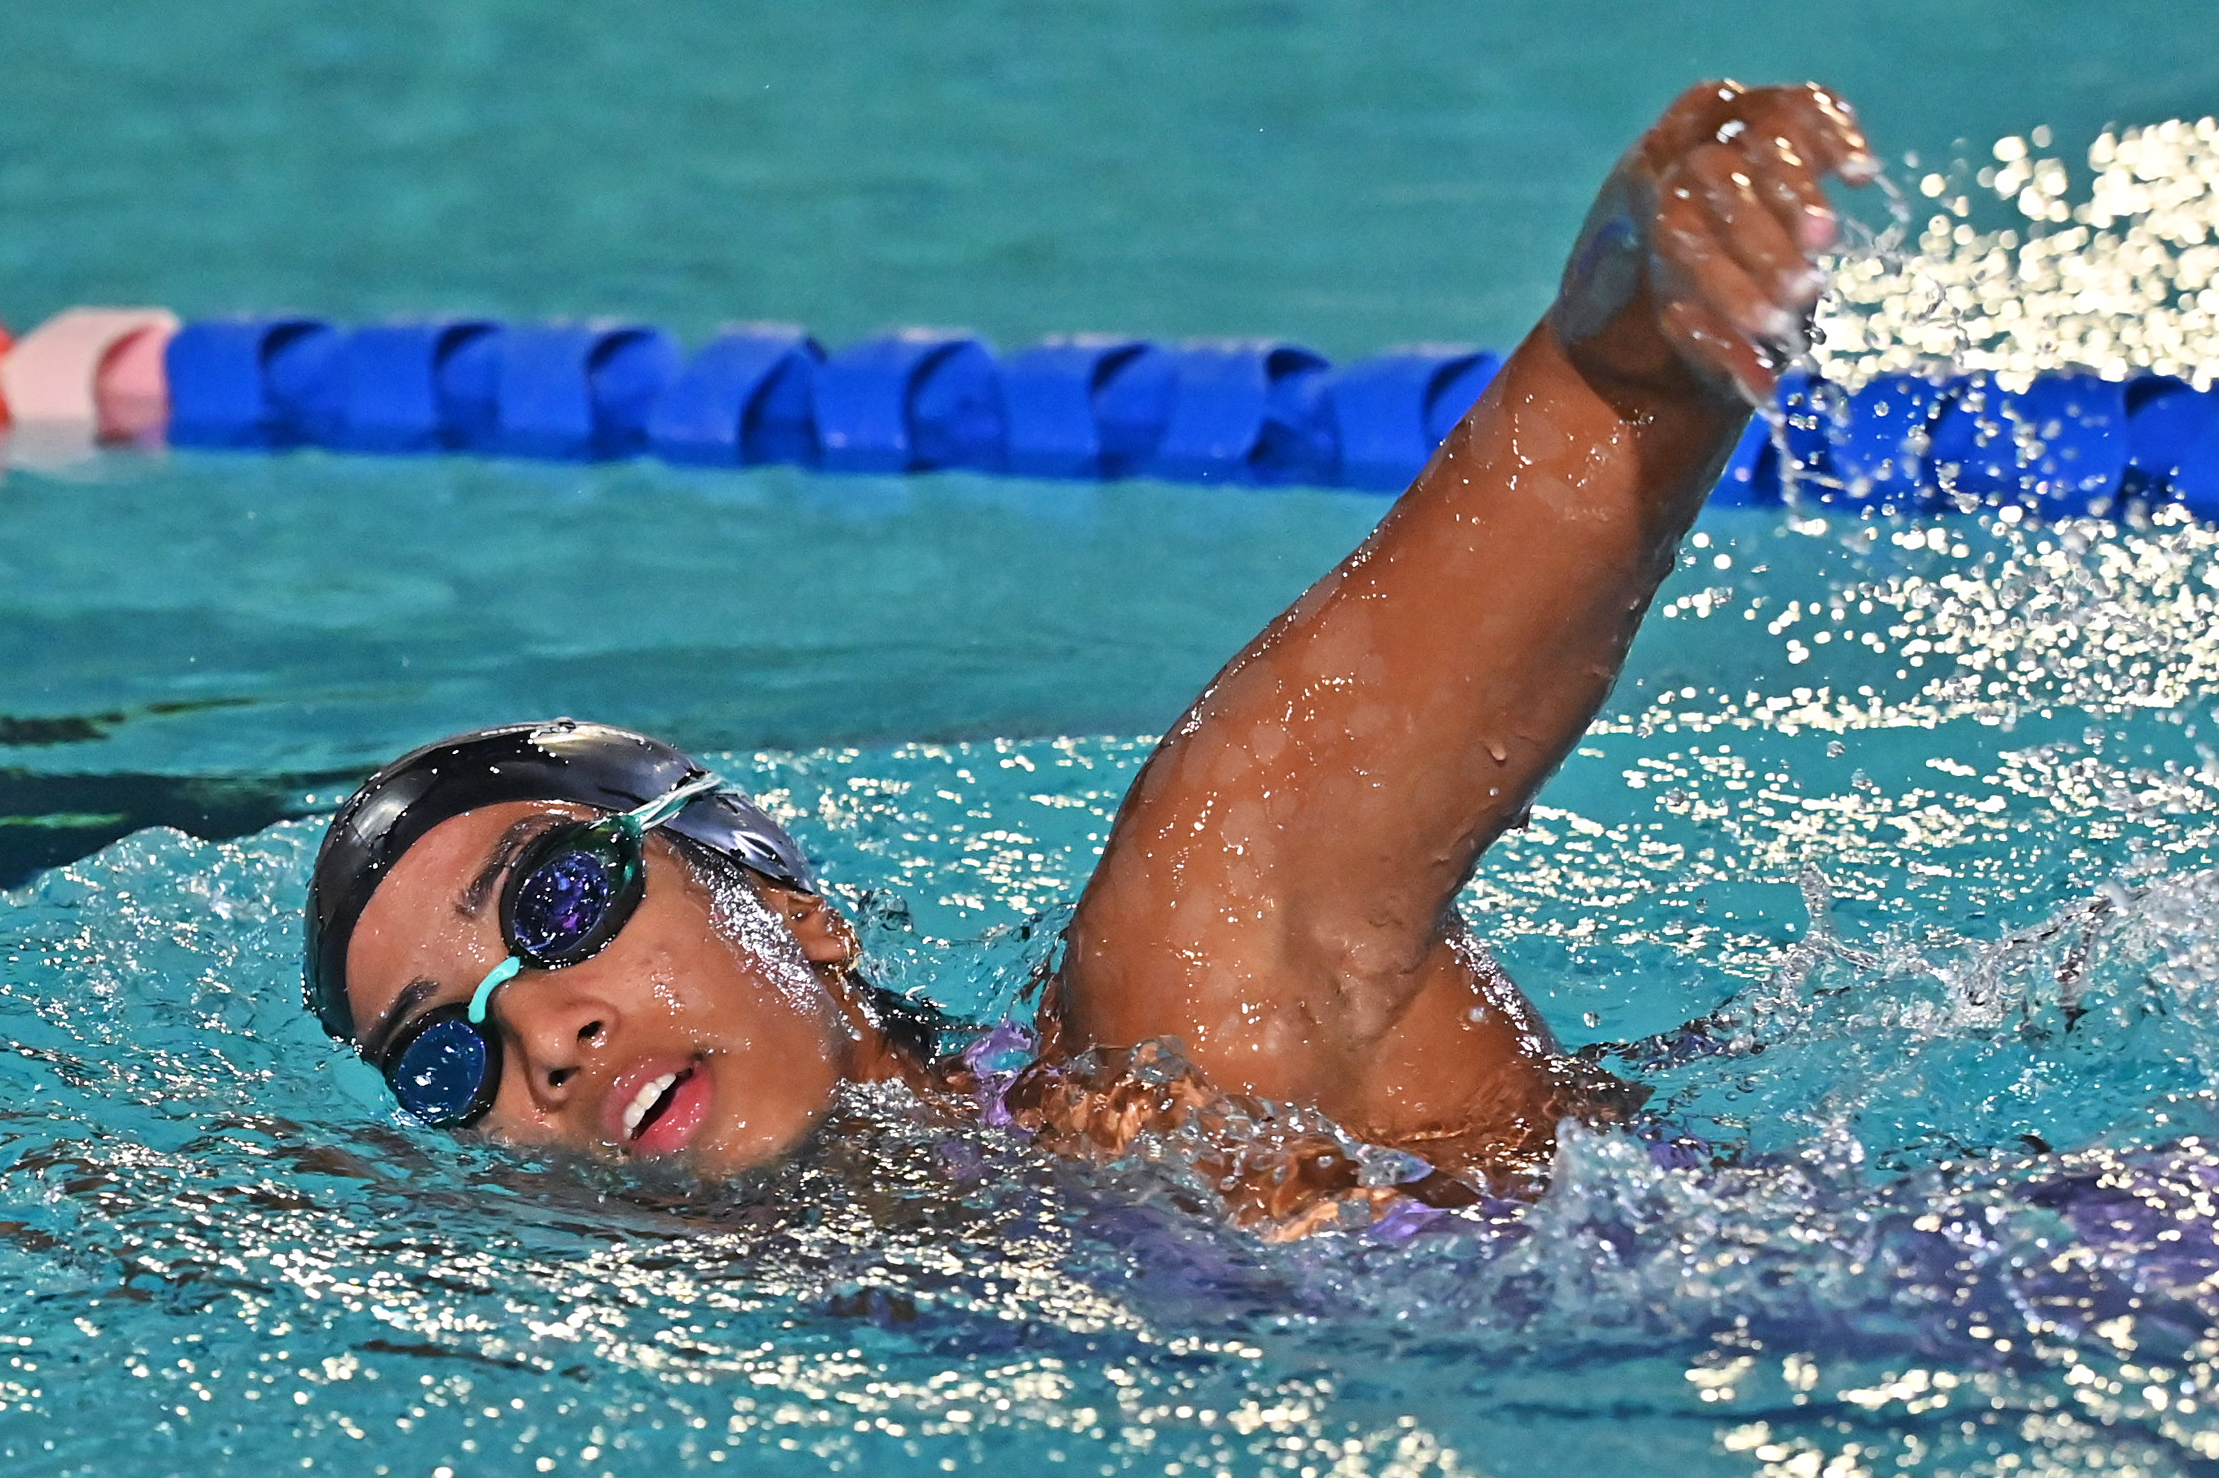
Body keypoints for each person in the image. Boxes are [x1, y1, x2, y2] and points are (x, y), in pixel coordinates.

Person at [305, 80, 1876, 1236]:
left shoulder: (1188, 1022)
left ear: (788, 904)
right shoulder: (870, 1287)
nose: (545, 1035)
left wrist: (1642, 309)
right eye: (446, 1060)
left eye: (556, 900)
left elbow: (1601, 421)